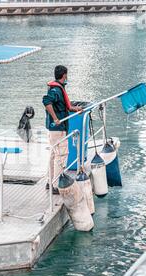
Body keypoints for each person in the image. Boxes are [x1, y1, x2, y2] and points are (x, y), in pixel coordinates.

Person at [42, 65, 83, 194]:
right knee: (61, 156)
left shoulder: (58, 89)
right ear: (64, 75)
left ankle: (50, 182)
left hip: (54, 129)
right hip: (58, 129)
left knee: (54, 155)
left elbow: (65, 106)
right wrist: (55, 118)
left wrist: (76, 109)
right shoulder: (55, 90)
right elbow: (46, 101)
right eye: (67, 74)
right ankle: (56, 185)